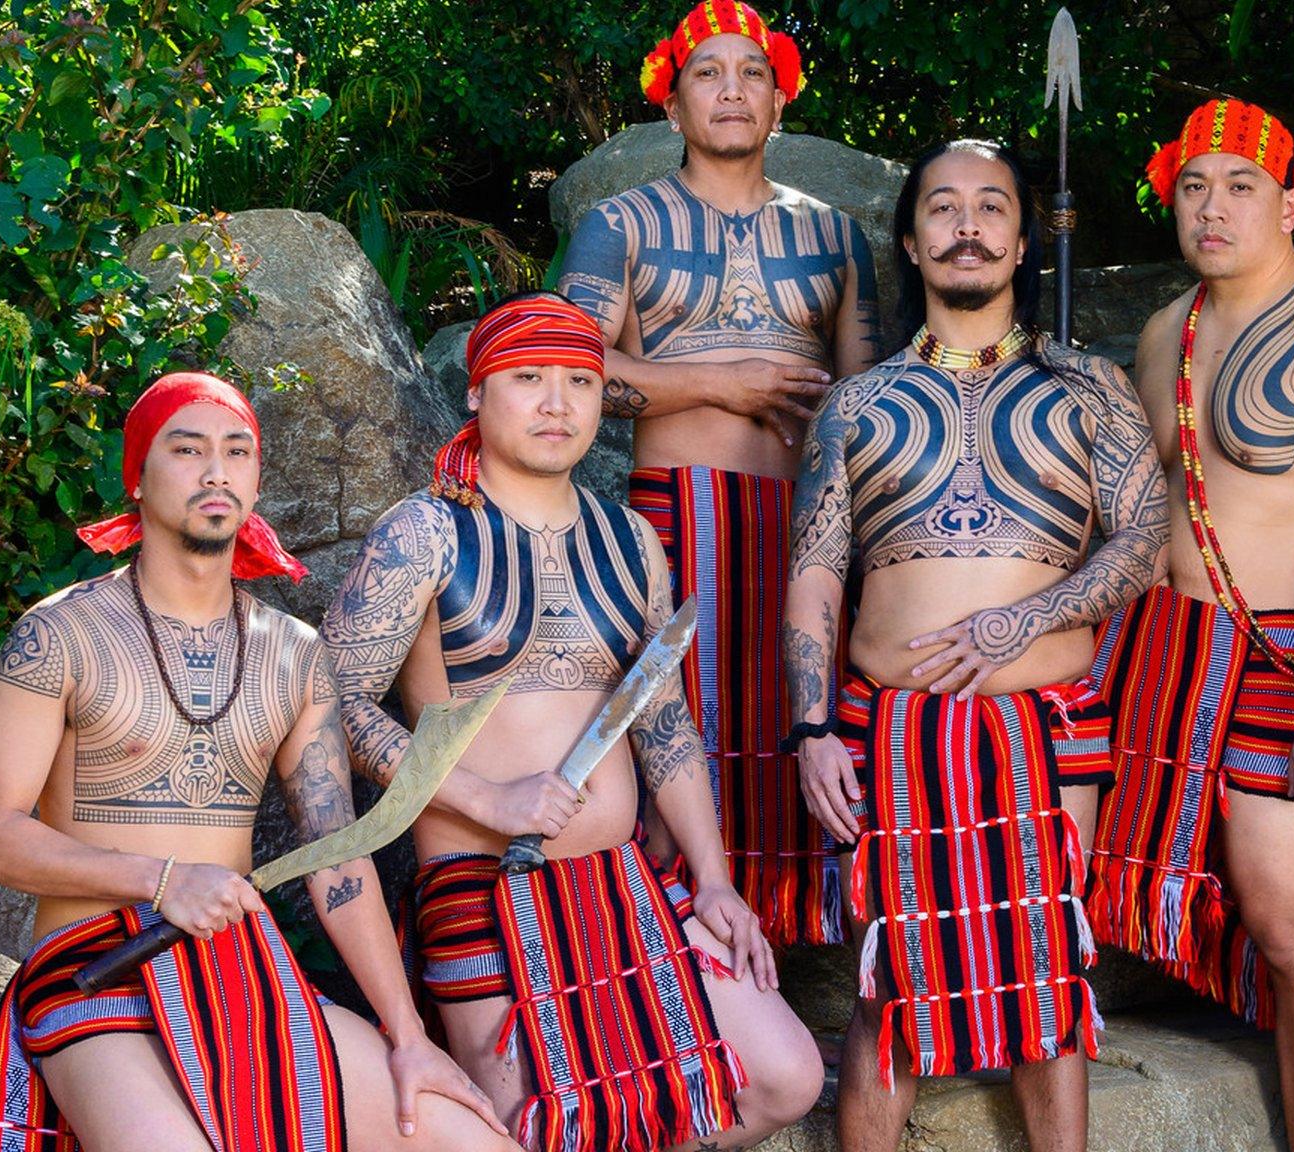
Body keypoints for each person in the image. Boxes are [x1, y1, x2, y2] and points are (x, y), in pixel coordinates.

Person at [321, 293, 821, 1150]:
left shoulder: (632, 540)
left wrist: (712, 876)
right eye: (528, 378)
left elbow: (662, 722)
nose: (557, 403)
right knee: (545, 1130)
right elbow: (328, 715)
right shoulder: (425, 533)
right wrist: (486, 798)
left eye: (582, 381)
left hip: (625, 885)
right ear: (478, 393)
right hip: (484, 889)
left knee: (785, 1079)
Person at [0, 372, 510, 1152]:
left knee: (475, 1143)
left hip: (242, 969)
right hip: (97, 970)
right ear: (138, 473)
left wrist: (407, 1036)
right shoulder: (59, 636)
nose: (216, 470)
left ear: (258, 478)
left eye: (237, 451)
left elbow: (339, 863)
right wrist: (160, 881)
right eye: (187, 450)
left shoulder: (295, 658)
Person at [784, 139, 1168, 1152]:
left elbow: (1146, 536)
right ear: (909, 241)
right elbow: (817, 572)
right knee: (888, 972)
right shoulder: (855, 405)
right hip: (889, 725)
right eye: (943, 208)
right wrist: (812, 726)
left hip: (1045, 719)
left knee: (1048, 963)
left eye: (989, 207)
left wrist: (1024, 619)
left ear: (1020, 237)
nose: (966, 224)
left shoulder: (1087, 387)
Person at [1086, 97, 1294, 1151]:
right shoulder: (1168, 329)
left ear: (1291, 200)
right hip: (1161, 651)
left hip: (1285, 650)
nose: (1210, 208)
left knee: (1290, 924)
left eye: (1239, 186)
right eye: (1191, 187)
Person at [556, 0, 880, 947]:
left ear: (780, 101)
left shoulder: (839, 237)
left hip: (806, 524)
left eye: (751, 73)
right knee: (673, 719)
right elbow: (575, 370)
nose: (732, 89)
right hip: (669, 518)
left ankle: (797, 942)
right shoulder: (620, 224)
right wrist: (721, 382)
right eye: (708, 72)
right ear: (672, 103)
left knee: (800, 711)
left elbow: (874, 401)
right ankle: (676, 936)